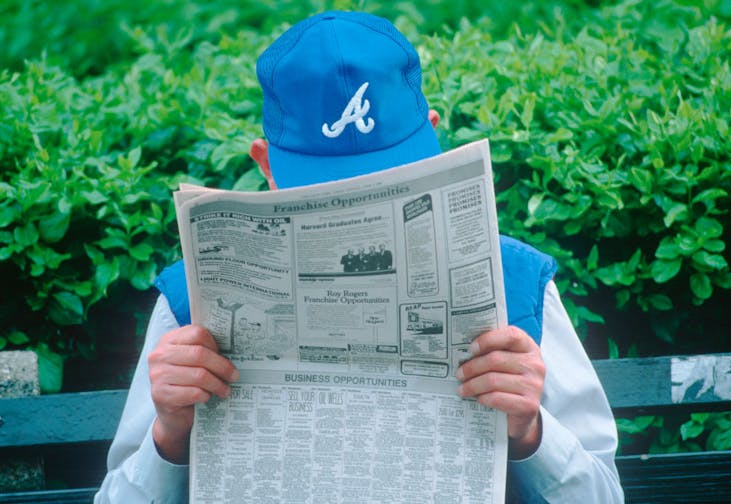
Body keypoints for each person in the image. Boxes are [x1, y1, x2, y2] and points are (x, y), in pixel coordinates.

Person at [96, 11, 623, 503]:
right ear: (265, 165)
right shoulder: (192, 303)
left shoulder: (520, 283)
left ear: (437, 139)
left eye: (390, 182)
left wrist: (531, 431)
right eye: (324, 195)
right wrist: (168, 434)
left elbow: (605, 492)